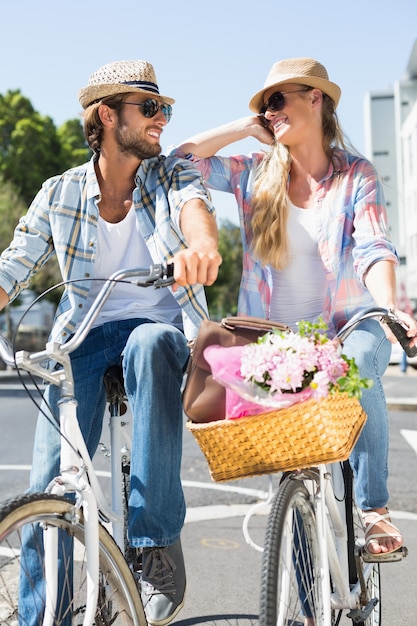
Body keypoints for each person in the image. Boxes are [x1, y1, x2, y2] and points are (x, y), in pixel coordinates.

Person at [0, 59, 221, 626]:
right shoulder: (60, 193)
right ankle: (38, 616)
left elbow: (197, 215)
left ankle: (154, 547)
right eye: (149, 109)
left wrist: (200, 250)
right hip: (85, 335)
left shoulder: (170, 177)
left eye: (164, 109)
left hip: (156, 333)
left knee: (149, 345)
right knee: (48, 485)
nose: (161, 121)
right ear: (106, 115)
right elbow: (13, 268)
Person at [171, 57, 417, 562]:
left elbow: (373, 247)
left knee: (360, 359)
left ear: (316, 98)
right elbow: (179, 160)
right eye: (266, 105)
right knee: (295, 475)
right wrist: (245, 126)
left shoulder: (356, 176)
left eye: (280, 99)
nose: (272, 110)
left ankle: (373, 510)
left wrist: (390, 308)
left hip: (345, 326)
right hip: (273, 341)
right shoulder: (257, 175)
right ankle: (304, 608)